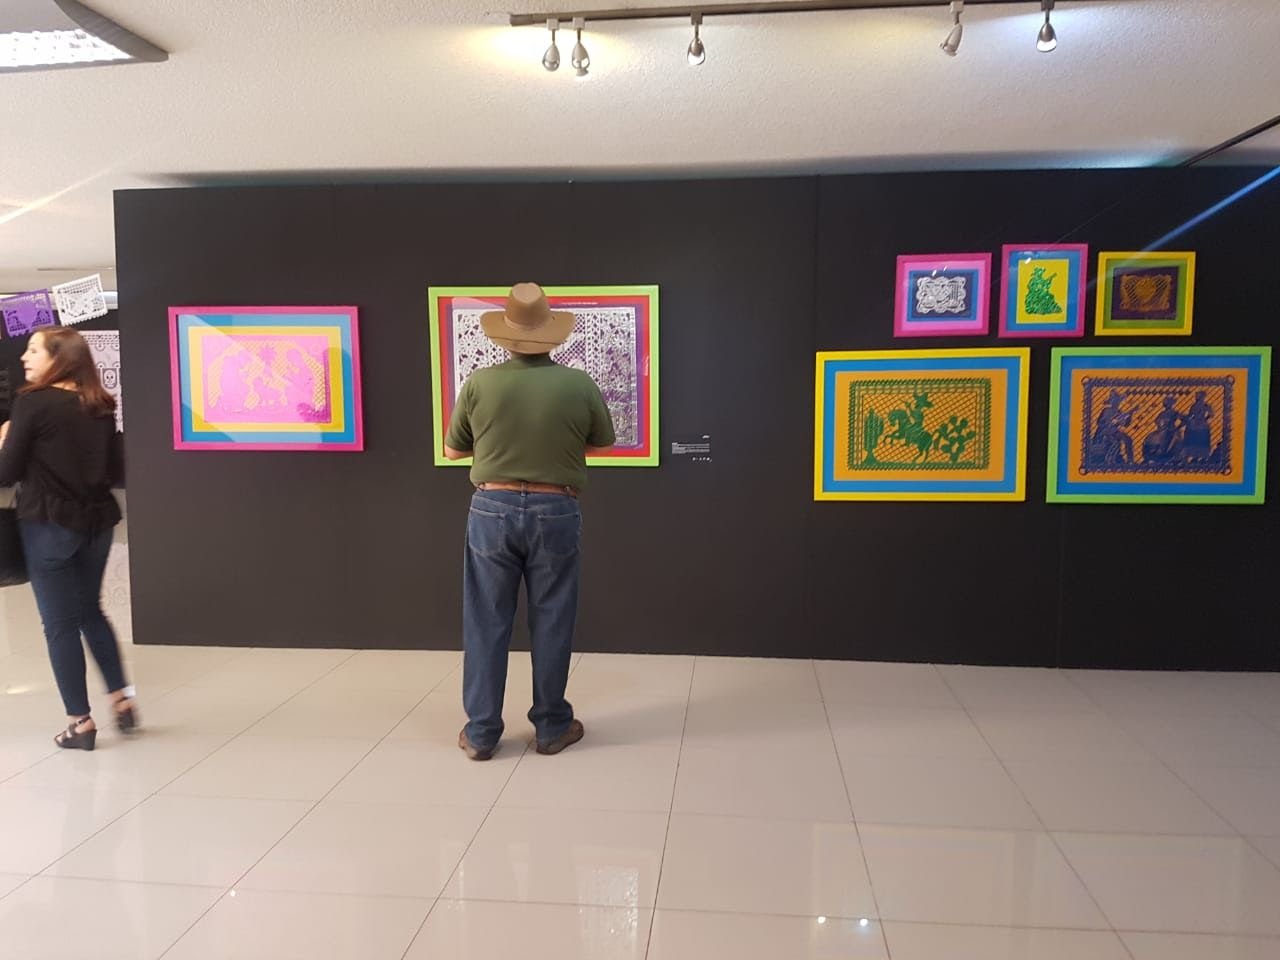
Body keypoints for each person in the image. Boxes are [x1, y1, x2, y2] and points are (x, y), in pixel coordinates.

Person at [444, 283, 615, 761]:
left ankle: (481, 733)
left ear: (506, 335)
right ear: (550, 334)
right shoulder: (578, 384)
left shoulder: (479, 383)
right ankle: (552, 727)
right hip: (556, 508)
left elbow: (453, 450)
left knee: (485, 620)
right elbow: (602, 444)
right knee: (553, 617)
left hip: (491, 508)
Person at [0, 328, 136, 751]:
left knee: (59, 625)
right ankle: (122, 699)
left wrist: (5, 439)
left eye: (33, 350)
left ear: (59, 358)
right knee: (90, 612)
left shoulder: (33, 402)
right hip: (97, 523)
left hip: (49, 525)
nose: (24, 357)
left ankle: (80, 722)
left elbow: (7, 472)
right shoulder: (99, 404)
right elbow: (111, 470)